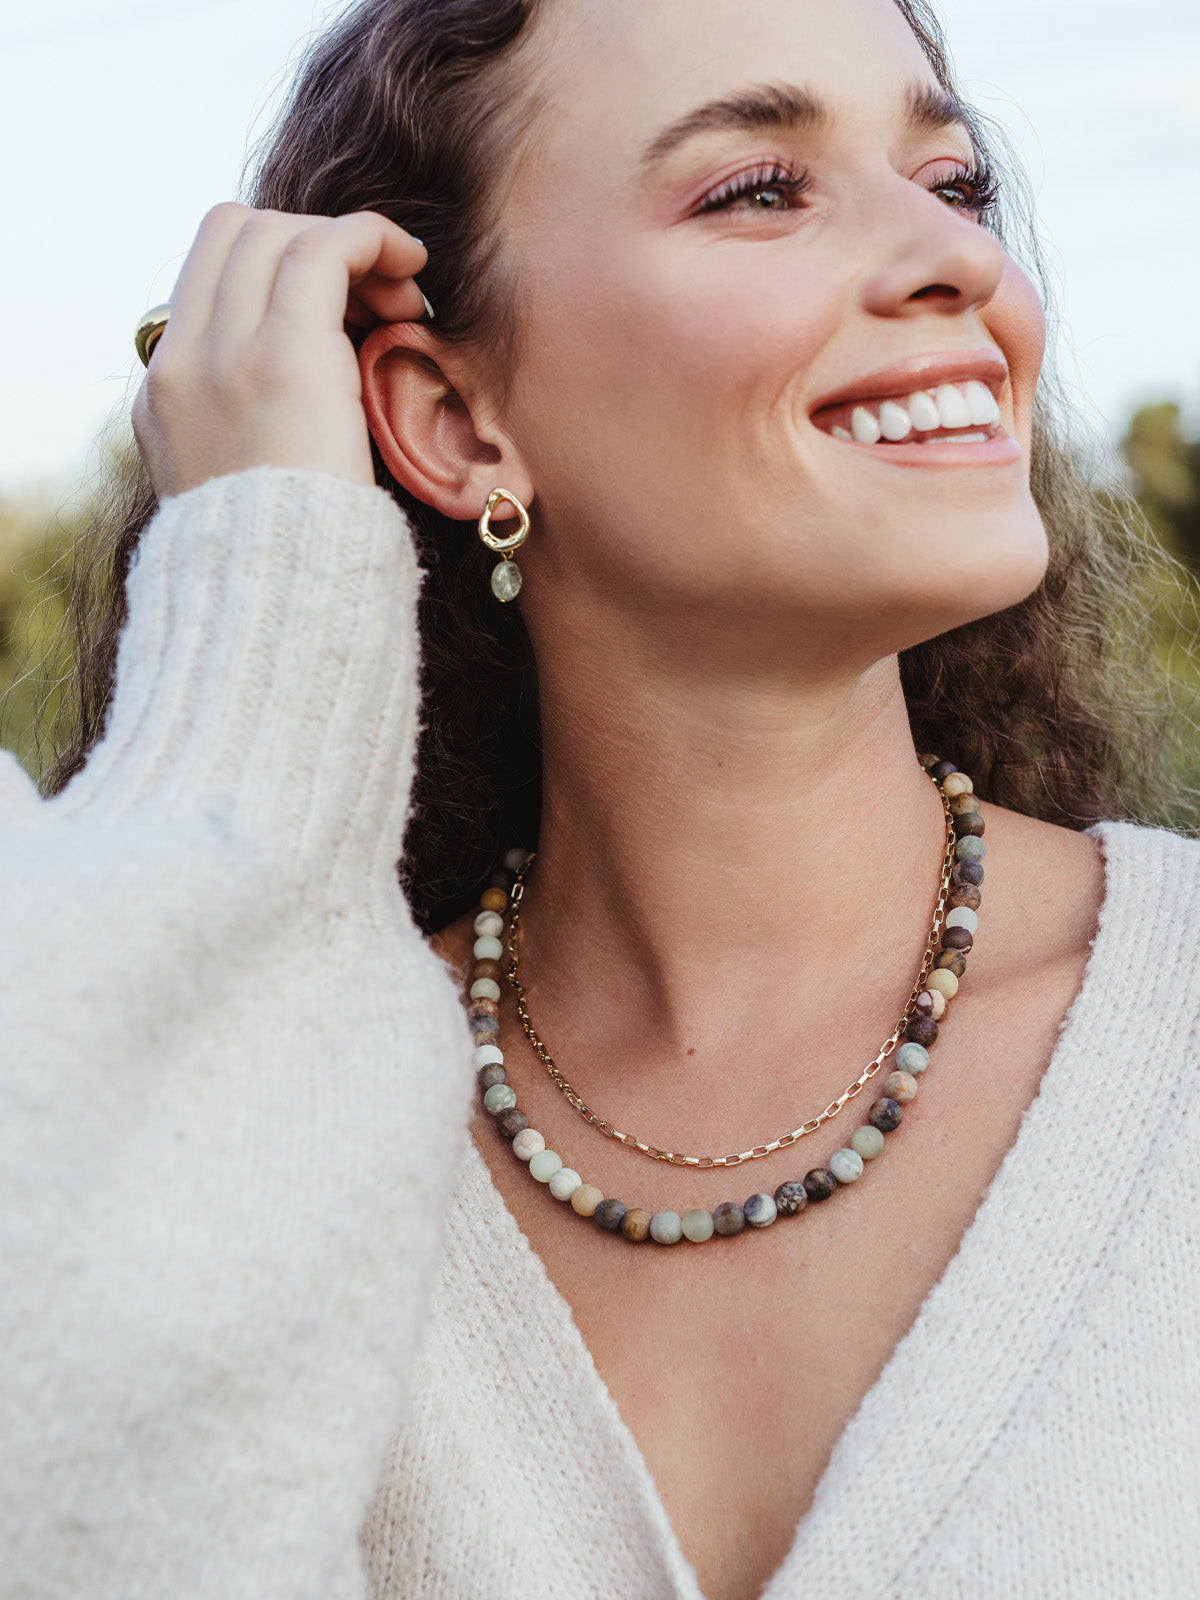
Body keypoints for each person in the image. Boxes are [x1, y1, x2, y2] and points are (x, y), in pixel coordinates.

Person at [4, 0, 1199, 1596]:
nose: (959, 259)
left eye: (955, 181)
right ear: (455, 422)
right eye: (759, 188)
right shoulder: (246, 1137)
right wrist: (257, 629)